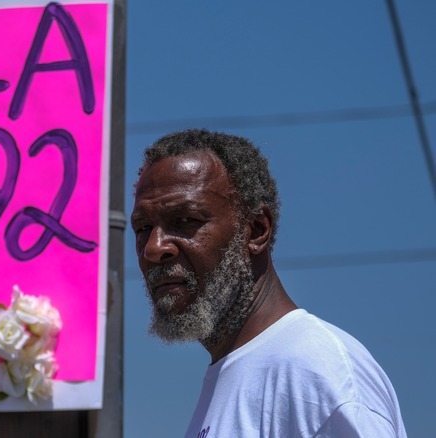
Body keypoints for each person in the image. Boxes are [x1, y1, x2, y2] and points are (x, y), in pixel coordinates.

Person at [130, 129, 407, 437]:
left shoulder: (313, 371)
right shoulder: (232, 374)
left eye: (186, 221)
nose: (154, 248)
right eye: (142, 228)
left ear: (257, 230)